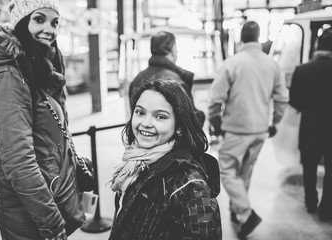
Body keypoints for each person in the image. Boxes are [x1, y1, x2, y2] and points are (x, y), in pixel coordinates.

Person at [0, 0, 86, 239]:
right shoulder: (8, 77)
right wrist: (52, 222)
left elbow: (46, 133)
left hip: (41, 196)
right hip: (25, 207)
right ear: (22, 22)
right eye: (39, 19)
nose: (49, 29)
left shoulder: (34, 65)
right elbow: (19, 162)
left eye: (55, 22)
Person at [109, 74, 222, 240]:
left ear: (179, 127)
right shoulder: (136, 162)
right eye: (140, 112)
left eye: (160, 116)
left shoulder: (190, 185)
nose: (146, 123)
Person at [208, 21, 289, 238]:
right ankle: (237, 212)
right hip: (260, 130)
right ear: (258, 37)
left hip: (236, 129)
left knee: (226, 169)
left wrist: (215, 123)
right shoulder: (272, 65)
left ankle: (245, 212)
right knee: (245, 172)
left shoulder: (232, 63)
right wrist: (274, 122)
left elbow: (216, 100)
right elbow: (282, 99)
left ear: (241, 39)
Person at [289, 27, 332, 222]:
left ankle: (310, 202)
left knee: (309, 166)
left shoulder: (302, 70)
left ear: (317, 46)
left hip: (309, 127)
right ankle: (327, 210)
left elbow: (295, 101)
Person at [128, 31, 205, 126]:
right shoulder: (176, 82)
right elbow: (190, 122)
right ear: (173, 49)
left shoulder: (137, 79)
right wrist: (202, 116)